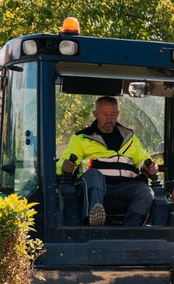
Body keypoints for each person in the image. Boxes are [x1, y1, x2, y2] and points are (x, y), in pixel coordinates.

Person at [57, 96, 158, 226]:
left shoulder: (130, 137)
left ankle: (131, 230)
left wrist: (150, 166)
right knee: (93, 174)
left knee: (146, 191)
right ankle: (94, 219)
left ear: (117, 114)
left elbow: (143, 158)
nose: (109, 119)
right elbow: (65, 161)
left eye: (112, 114)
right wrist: (65, 165)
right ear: (95, 114)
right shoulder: (81, 138)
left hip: (126, 186)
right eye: (105, 114)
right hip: (98, 187)